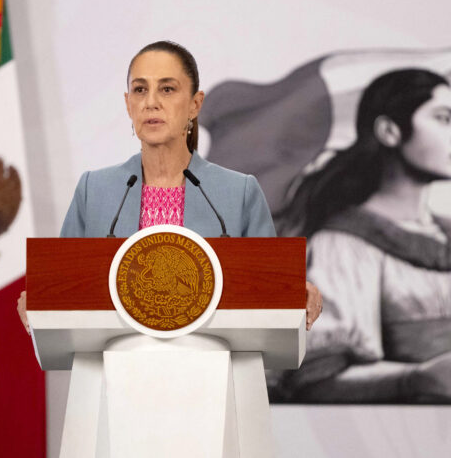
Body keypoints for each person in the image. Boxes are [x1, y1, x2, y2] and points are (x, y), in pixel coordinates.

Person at [270, 68, 451, 403]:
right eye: (443, 119)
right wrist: (417, 379)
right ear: (390, 131)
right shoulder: (342, 245)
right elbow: (316, 382)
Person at [17, 40, 323, 333]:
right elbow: (66, 291)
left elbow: (269, 295)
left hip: (211, 365)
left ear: (195, 104)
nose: (151, 102)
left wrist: (294, 296)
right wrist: (41, 301)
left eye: (167, 89)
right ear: (128, 104)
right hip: (115, 364)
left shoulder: (238, 193)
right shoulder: (94, 191)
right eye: (140, 89)